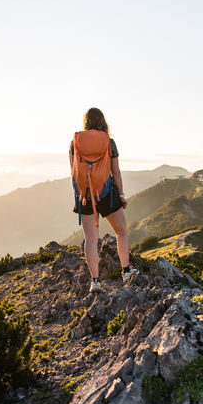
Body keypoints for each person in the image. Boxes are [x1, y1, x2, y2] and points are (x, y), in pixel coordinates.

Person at [70, 108, 139, 292]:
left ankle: (95, 281)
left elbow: (74, 171)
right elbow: (115, 172)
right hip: (106, 194)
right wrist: (121, 195)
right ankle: (126, 271)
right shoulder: (109, 143)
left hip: (85, 196)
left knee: (91, 240)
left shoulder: (75, 142)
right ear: (103, 122)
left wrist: (79, 196)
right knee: (121, 231)